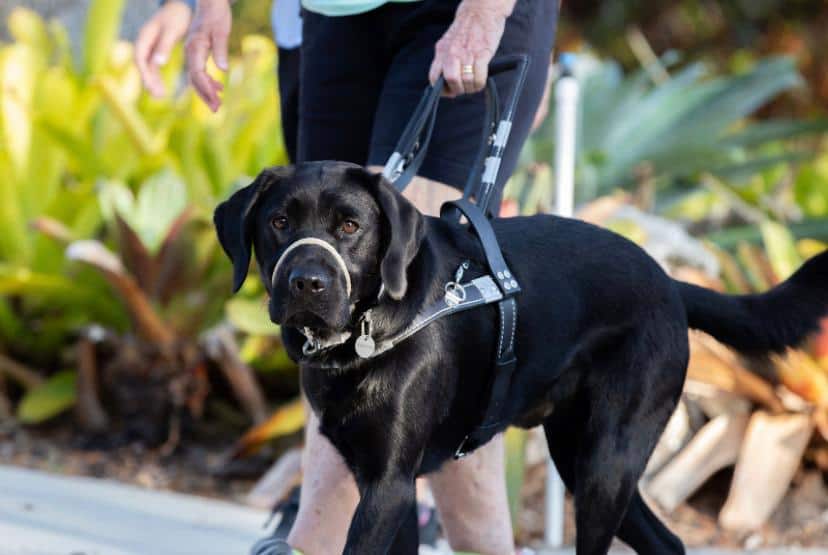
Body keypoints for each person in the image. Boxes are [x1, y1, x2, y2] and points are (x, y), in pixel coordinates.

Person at [137, 0, 558, 553]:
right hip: (336, 11)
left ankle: (313, 544)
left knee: (411, 318)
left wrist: (483, 12)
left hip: (455, 10)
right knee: (334, 291)